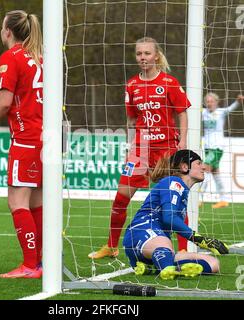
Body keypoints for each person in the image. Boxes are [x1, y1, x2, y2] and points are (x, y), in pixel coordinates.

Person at [88, 37, 191, 259]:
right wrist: (132, 146)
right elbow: (132, 120)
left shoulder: (169, 83)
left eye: (147, 53)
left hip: (166, 149)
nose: (143, 57)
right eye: (139, 54)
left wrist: (182, 142)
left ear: (156, 56)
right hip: (140, 149)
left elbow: (182, 112)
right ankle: (111, 246)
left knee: (174, 200)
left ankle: (183, 249)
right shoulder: (132, 85)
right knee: (120, 198)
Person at [0, 10, 43, 278]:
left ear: (8, 32)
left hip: (26, 139)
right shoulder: (41, 58)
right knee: (37, 201)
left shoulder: (10, 57)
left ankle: (29, 265)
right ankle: (41, 262)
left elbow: (5, 102)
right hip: (46, 138)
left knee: (17, 201)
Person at [123, 149, 229, 280]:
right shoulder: (173, 182)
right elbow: (169, 218)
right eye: (199, 163)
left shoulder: (182, 190)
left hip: (158, 248)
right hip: (142, 233)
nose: (203, 167)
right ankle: (166, 269)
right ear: (185, 167)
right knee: (164, 243)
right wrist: (200, 239)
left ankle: (154, 267)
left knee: (213, 264)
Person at [201, 92, 244, 209]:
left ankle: (199, 198)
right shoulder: (203, 113)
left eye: (211, 101)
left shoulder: (220, 112)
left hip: (217, 147)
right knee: (215, 173)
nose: (209, 104)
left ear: (216, 102)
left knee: (205, 169)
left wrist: (238, 101)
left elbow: (230, 108)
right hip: (207, 147)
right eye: (207, 102)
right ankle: (224, 200)